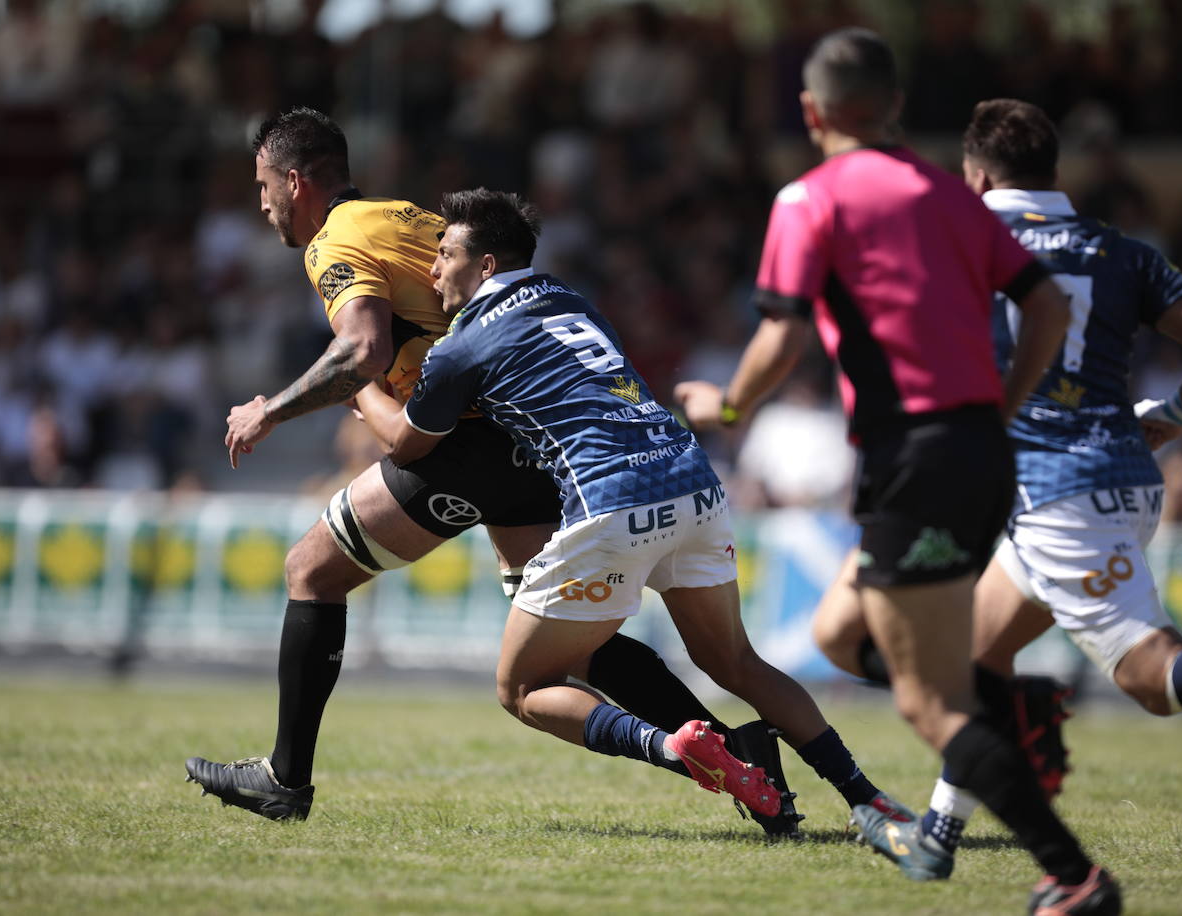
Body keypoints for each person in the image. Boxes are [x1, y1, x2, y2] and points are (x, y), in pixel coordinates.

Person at [183, 108, 799, 835]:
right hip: (522, 439)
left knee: (312, 571)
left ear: (297, 181)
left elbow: (361, 351)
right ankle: (736, 751)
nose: (261, 205)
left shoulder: (332, 242)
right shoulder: (404, 217)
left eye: (263, 187)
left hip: (459, 444)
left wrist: (270, 410)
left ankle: (286, 778)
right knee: (575, 640)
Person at [676, 30, 1120, 916]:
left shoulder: (810, 199)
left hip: (919, 455)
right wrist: (1001, 405)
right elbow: (1043, 305)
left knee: (928, 702)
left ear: (810, 113)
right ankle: (1006, 697)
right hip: (971, 452)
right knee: (843, 633)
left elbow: (783, 331)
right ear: (895, 106)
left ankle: (1074, 877)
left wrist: (727, 408)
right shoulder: (953, 198)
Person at [814, 98, 1182, 881]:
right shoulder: (1115, 248)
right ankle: (939, 831)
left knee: (1154, 679)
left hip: (1062, 494)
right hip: (1117, 473)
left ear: (978, 173)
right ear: (1054, 173)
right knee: (979, 655)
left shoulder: (967, 243)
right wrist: (1173, 413)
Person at [359, 186, 915, 830]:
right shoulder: (569, 298)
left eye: (445, 254)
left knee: (522, 689)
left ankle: (680, 746)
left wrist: (361, 384)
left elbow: (405, 442)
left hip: (611, 501)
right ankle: (867, 798)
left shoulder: (459, 348)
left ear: (484, 266)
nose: (431, 270)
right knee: (736, 661)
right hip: (691, 480)